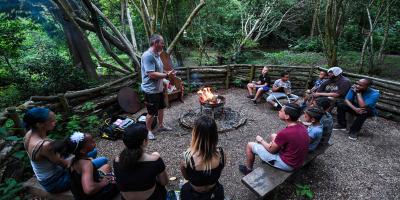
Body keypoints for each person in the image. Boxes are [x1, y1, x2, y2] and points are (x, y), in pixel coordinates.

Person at [23, 107, 108, 193]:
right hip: (55, 182)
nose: (55, 122)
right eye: (51, 121)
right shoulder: (44, 146)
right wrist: (87, 162)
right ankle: (92, 180)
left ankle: (89, 173)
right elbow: (67, 165)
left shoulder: (29, 134)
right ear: (39, 124)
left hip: (55, 171)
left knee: (93, 152)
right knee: (103, 160)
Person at [239, 103, 309, 174]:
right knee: (273, 135)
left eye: (281, 111)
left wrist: (261, 141)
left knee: (250, 145)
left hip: (288, 165)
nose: (279, 111)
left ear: (287, 116)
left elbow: (272, 150)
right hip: (297, 160)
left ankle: (248, 169)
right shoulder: (302, 126)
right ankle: (266, 158)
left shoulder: (285, 133)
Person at [114, 123, 169, 200]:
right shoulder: (155, 160)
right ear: (144, 141)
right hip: (152, 198)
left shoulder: (116, 161)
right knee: (156, 154)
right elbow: (164, 182)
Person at [180, 116, 225, 200]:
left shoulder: (188, 157)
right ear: (215, 135)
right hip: (215, 193)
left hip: (193, 195)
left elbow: (186, 177)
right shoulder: (221, 155)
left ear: (195, 134)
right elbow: (218, 171)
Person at [63, 132, 119, 200]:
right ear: (83, 150)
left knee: (106, 167)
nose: (94, 141)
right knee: (118, 180)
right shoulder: (86, 164)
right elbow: (89, 190)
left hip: (81, 191)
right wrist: (103, 183)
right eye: (91, 142)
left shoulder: (72, 160)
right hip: (93, 196)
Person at [141, 34, 174, 140]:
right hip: (150, 90)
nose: (163, 45)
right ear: (155, 43)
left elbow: (158, 70)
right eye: (162, 43)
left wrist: (166, 75)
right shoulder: (148, 56)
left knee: (160, 108)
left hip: (158, 88)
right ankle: (148, 131)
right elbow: (151, 74)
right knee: (151, 112)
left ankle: (161, 126)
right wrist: (167, 75)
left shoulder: (157, 54)